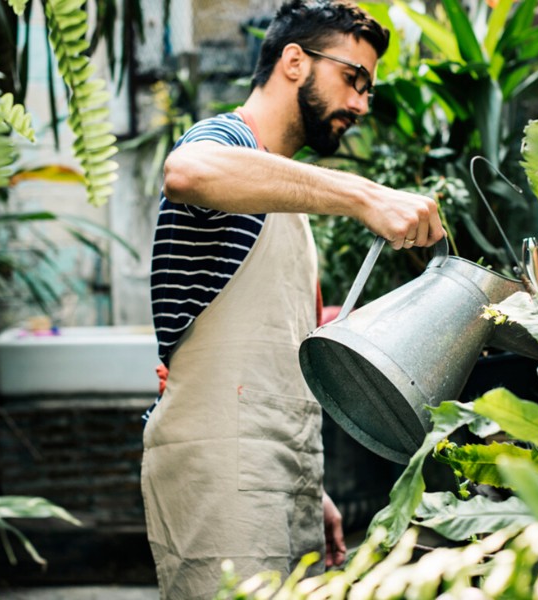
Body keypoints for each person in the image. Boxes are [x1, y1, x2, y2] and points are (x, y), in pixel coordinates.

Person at [141, 1, 445, 597]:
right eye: (352, 79)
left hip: (282, 472)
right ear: (294, 61)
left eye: (367, 90)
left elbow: (275, 363)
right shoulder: (225, 140)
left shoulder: (280, 193)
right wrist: (364, 196)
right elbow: (186, 169)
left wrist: (310, 484)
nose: (360, 103)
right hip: (221, 468)